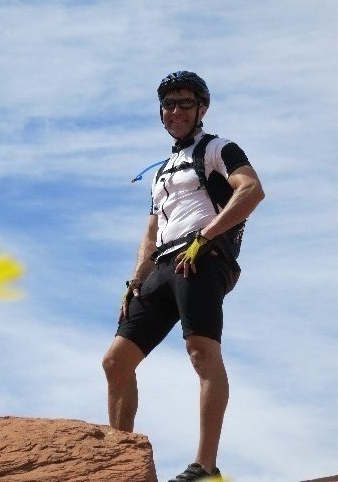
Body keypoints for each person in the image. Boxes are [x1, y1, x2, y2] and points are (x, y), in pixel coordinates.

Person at [102, 71, 265, 481]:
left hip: (203, 258)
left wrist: (205, 237)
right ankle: (119, 464)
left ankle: (206, 468)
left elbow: (251, 190)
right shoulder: (161, 172)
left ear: (202, 109)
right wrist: (135, 279)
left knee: (201, 351)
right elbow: (151, 231)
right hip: (162, 266)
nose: (175, 111)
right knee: (116, 360)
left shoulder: (217, 148)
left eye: (185, 103)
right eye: (169, 104)